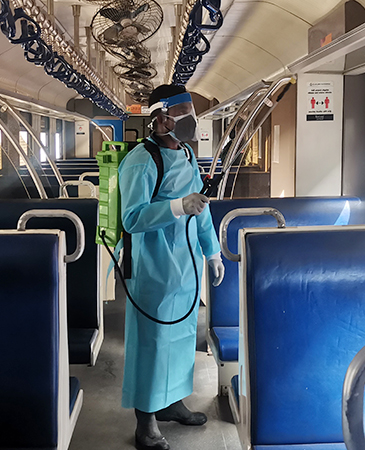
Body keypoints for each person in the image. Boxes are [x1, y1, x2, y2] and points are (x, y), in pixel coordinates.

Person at [118, 84, 226, 450]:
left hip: (186, 264)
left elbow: (201, 207)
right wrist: (177, 206)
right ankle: (145, 421)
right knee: (152, 342)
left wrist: (212, 252)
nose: (190, 120)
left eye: (191, 112)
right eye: (183, 113)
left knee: (180, 339)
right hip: (153, 266)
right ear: (160, 117)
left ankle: (171, 402)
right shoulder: (141, 160)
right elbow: (132, 218)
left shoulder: (188, 154)